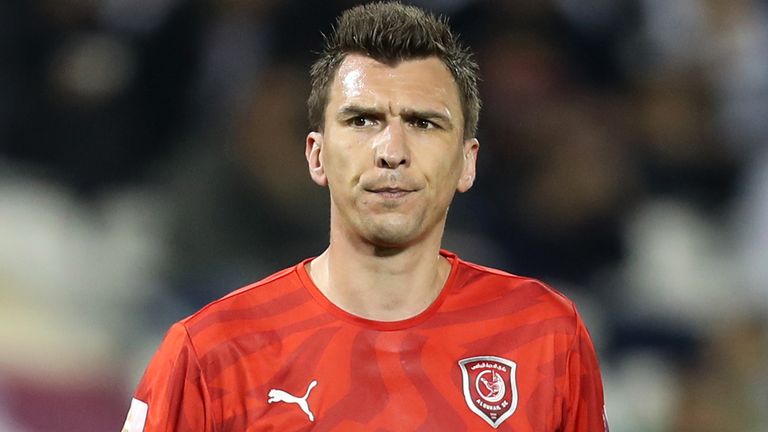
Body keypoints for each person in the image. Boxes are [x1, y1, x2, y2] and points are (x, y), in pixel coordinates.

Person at [121, 2, 608, 431]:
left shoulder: (545, 336)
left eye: (423, 123)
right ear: (316, 155)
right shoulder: (210, 353)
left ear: (467, 162)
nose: (391, 151)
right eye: (362, 120)